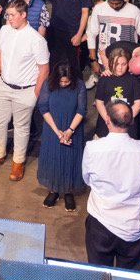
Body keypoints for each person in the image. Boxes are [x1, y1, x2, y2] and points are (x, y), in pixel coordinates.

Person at [80, 100, 140, 270]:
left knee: (100, 278)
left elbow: (87, 179)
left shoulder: (93, 148)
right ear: (132, 121)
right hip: (133, 226)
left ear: (107, 120)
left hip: (100, 224)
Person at [0, 0, 50, 181]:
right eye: (8, 14)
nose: (9, 18)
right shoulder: (4, 30)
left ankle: (18, 161)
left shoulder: (36, 39)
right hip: (3, 86)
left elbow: (44, 68)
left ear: (23, 15)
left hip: (25, 91)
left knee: (21, 127)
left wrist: (34, 94)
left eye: (13, 15)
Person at [36, 58, 89, 211]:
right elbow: (43, 108)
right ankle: (53, 190)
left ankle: (68, 192)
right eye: (62, 82)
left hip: (72, 128)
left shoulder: (79, 85)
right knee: (53, 158)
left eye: (67, 82)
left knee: (70, 159)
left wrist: (69, 131)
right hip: (53, 128)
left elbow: (81, 110)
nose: (64, 84)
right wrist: (57, 131)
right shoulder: (48, 84)